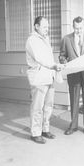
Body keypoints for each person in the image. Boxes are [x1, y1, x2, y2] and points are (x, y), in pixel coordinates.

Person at [26, 16, 63, 144]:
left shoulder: (45, 39)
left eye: (48, 27)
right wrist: (53, 65)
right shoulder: (32, 40)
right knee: (37, 107)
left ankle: (45, 129)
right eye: (44, 27)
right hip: (38, 78)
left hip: (49, 76)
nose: (47, 29)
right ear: (36, 26)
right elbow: (40, 58)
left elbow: (49, 58)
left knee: (48, 105)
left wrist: (55, 66)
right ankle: (35, 133)